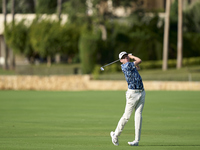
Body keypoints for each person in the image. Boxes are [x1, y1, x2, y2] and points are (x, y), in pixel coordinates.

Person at [110, 51, 146, 146]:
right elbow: (139, 61)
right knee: (126, 116)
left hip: (141, 92)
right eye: (124, 57)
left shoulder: (130, 65)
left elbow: (138, 67)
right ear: (121, 60)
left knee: (138, 116)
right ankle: (116, 135)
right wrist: (132, 56)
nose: (126, 57)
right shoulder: (126, 66)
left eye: (126, 56)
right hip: (132, 95)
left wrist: (130, 58)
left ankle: (136, 140)